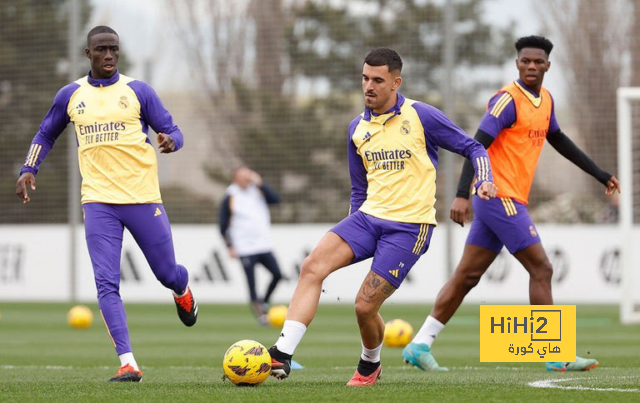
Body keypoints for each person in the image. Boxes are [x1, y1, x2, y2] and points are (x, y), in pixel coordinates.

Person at [267, 47, 497, 387]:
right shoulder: (357, 129)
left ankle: (370, 363)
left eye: (378, 80)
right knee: (312, 266)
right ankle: (282, 354)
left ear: (396, 82)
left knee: (363, 307)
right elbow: (359, 189)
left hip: (409, 228)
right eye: (364, 79)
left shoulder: (421, 116)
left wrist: (485, 178)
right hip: (367, 219)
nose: (368, 86)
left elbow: (473, 147)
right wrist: (350, 230)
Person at [402, 35, 620, 373]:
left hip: (506, 199)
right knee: (542, 268)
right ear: (517, 63)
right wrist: (462, 193)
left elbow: (559, 139)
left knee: (467, 275)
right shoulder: (507, 101)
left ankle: (419, 344)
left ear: (548, 65)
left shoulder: (545, 100)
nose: (531, 66)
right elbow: (475, 145)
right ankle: (554, 352)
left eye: (537, 62)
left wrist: (600, 174)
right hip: (498, 196)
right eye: (524, 61)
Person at [15, 26, 198, 382]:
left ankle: (182, 288)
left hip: (143, 199)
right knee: (106, 283)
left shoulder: (138, 91)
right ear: (88, 54)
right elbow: (45, 133)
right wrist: (28, 168)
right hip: (98, 202)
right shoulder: (71, 95)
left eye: (114, 49)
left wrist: (171, 141)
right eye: (101, 50)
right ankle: (128, 361)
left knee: (166, 273)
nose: (109, 55)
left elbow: (175, 131)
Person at [219, 166, 283, 325]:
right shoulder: (231, 195)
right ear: (235, 178)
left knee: (277, 274)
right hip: (244, 246)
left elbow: (276, 200)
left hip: (263, 244)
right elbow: (222, 223)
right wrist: (230, 246)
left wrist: (260, 183)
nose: (246, 179)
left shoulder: (257, 190)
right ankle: (261, 315)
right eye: (242, 176)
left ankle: (264, 301)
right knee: (252, 283)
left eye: (247, 176)